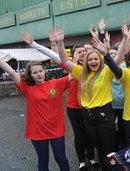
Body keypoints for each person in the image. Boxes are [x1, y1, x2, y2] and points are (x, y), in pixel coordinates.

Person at [0, 43, 71, 171]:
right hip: (37, 132)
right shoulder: (27, 87)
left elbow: (74, 71)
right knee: (43, 161)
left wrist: (60, 43)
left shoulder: (56, 83)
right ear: (30, 75)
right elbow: (9, 70)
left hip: (57, 130)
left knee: (61, 158)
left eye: (40, 71)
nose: (38, 74)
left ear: (44, 71)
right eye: (35, 72)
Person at [21, 33, 98, 170]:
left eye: (84, 51)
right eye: (79, 52)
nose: (83, 53)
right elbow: (57, 56)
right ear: (73, 56)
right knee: (79, 136)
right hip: (74, 107)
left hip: (90, 106)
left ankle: (92, 158)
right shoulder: (72, 68)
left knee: (90, 134)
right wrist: (35, 44)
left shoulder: (93, 66)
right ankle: (81, 161)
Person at [50, 26, 119, 170]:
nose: (93, 61)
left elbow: (119, 58)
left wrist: (124, 39)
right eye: (90, 59)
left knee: (109, 147)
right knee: (98, 147)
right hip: (88, 115)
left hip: (104, 114)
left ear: (100, 61)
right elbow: (64, 59)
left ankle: (112, 168)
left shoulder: (106, 71)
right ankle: (103, 167)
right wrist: (60, 42)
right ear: (86, 62)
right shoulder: (80, 72)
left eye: (96, 59)